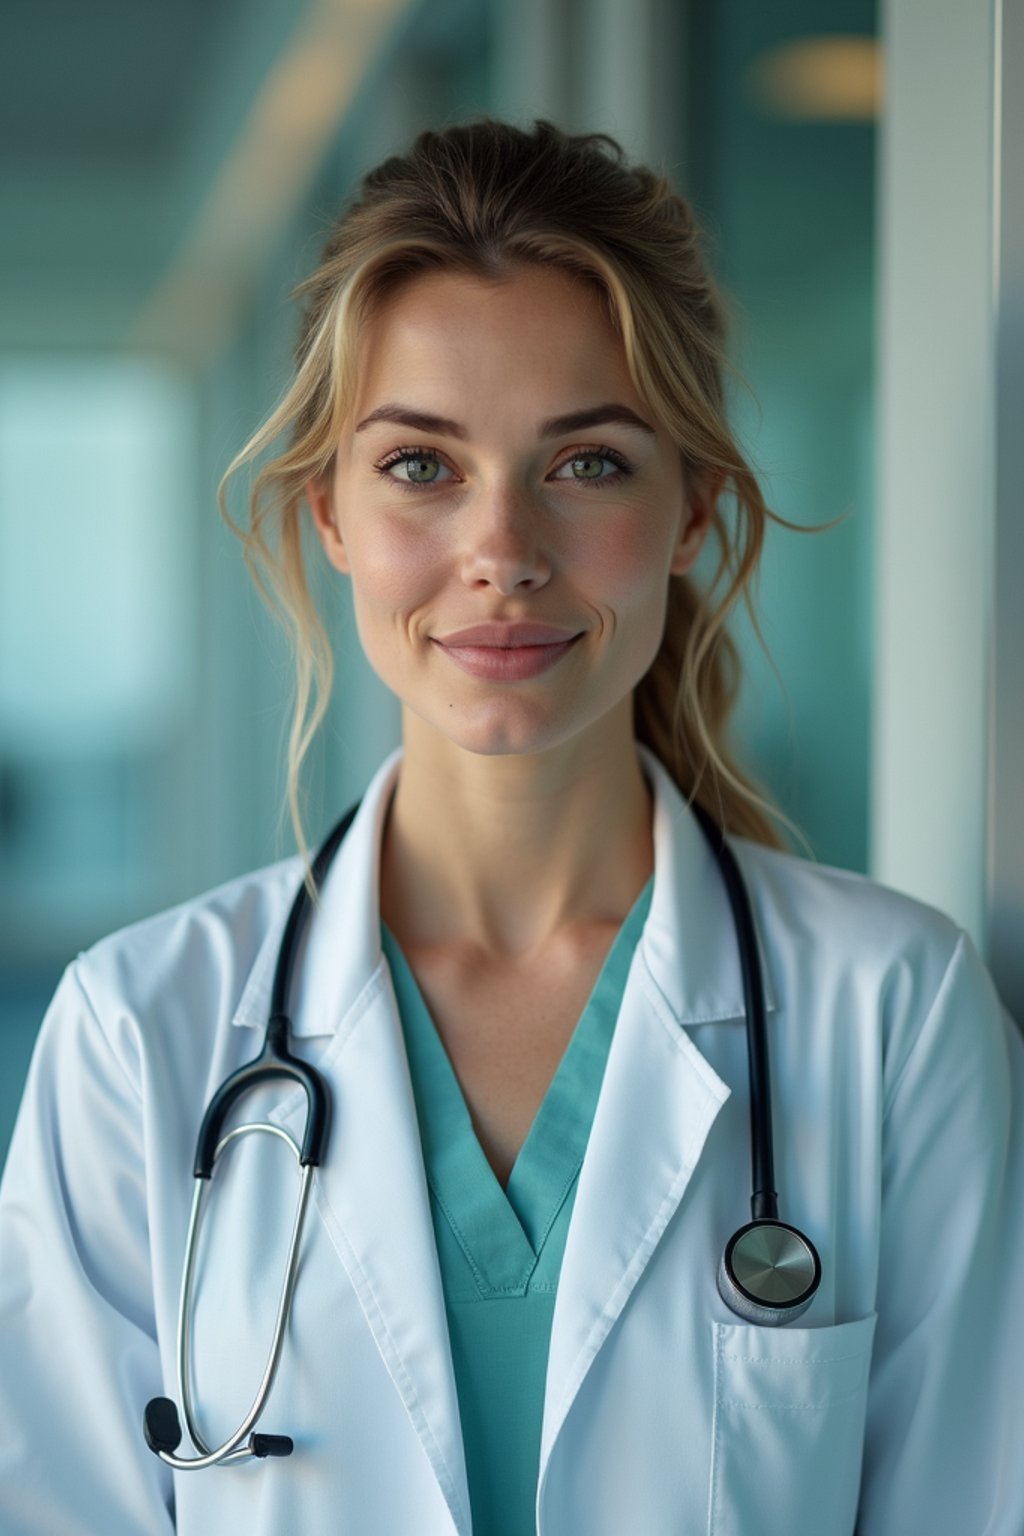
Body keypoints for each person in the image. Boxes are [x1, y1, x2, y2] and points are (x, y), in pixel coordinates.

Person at [0, 117, 1021, 1536]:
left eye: (589, 462)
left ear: (693, 514)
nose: (504, 552)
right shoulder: (141, 1035)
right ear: (330, 519)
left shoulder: (890, 1012)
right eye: (422, 465)